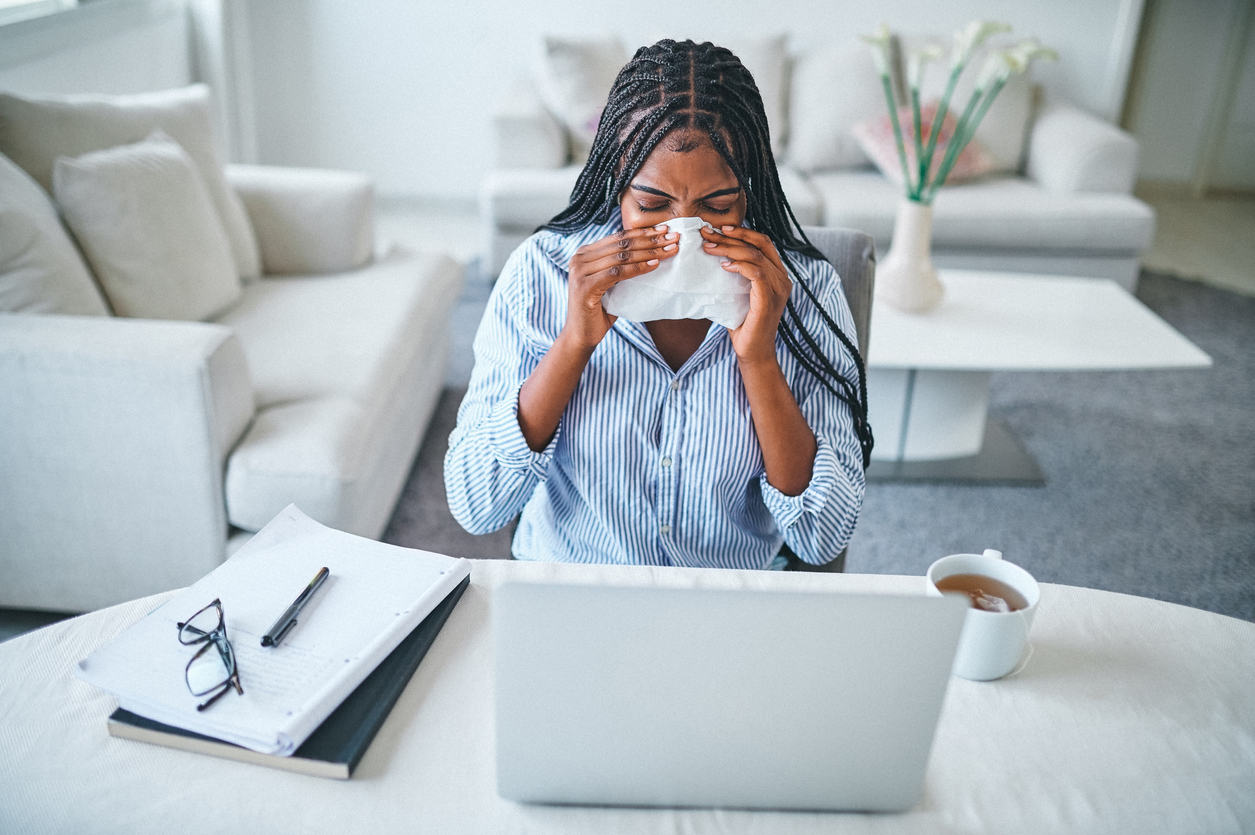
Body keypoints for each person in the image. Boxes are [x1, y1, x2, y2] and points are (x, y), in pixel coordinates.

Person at [445, 39, 872, 569]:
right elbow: (477, 506)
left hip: (725, 602)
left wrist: (759, 359)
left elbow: (822, 537)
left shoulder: (803, 289)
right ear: (616, 180)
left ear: (751, 188)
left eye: (718, 206)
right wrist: (574, 344)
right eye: (651, 204)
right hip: (571, 590)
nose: (683, 233)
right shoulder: (543, 273)